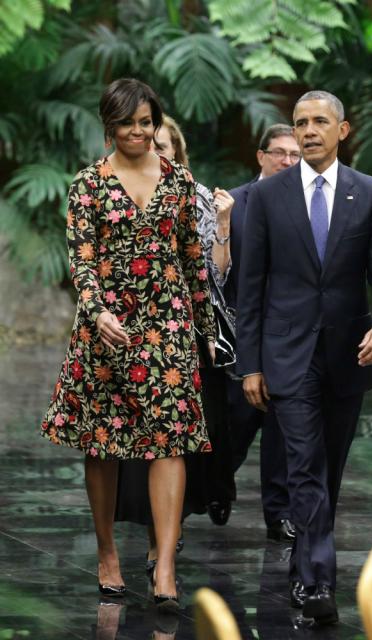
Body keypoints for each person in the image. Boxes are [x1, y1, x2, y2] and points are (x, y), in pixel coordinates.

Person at [40, 78, 216, 613]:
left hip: (168, 328)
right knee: (104, 445)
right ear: (109, 125)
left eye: (147, 122)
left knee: (169, 441)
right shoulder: (87, 185)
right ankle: (107, 551)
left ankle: (164, 565)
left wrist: (206, 329)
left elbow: (191, 258)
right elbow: (82, 262)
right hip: (107, 333)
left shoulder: (180, 182)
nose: (139, 132)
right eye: (128, 123)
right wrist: (98, 312)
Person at [236, 90, 372, 625]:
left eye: (319, 122)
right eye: (300, 122)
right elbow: (252, 286)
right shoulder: (267, 198)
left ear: (342, 130)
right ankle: (316, 584)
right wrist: (251, 365)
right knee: (305, 467)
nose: (308, 131)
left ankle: (304, 567)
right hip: (287, 356)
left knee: (327, 472)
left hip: (347, 354)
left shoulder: (371, 192)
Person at [114, 115, 236, 576]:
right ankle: (155, 538)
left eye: (164, 144)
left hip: (188, 334)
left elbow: (216, 274)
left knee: (179, 443)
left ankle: (168, 537)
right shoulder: (116, 190)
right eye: (150, 142)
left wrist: (222, 224)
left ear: (178, 152)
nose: (156, 149)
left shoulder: (197, 196)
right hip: (131, 336)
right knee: (142, 443)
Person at [224, 124, 301, 542]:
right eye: (279, 153)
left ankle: (279, 512)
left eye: (294, 155)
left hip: (289, 336)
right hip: (242, 334)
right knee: (235, 426)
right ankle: (217, 487)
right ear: (261, 156)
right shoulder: (233, 203)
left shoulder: (305, 203)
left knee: (282, 432)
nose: (287, 161)